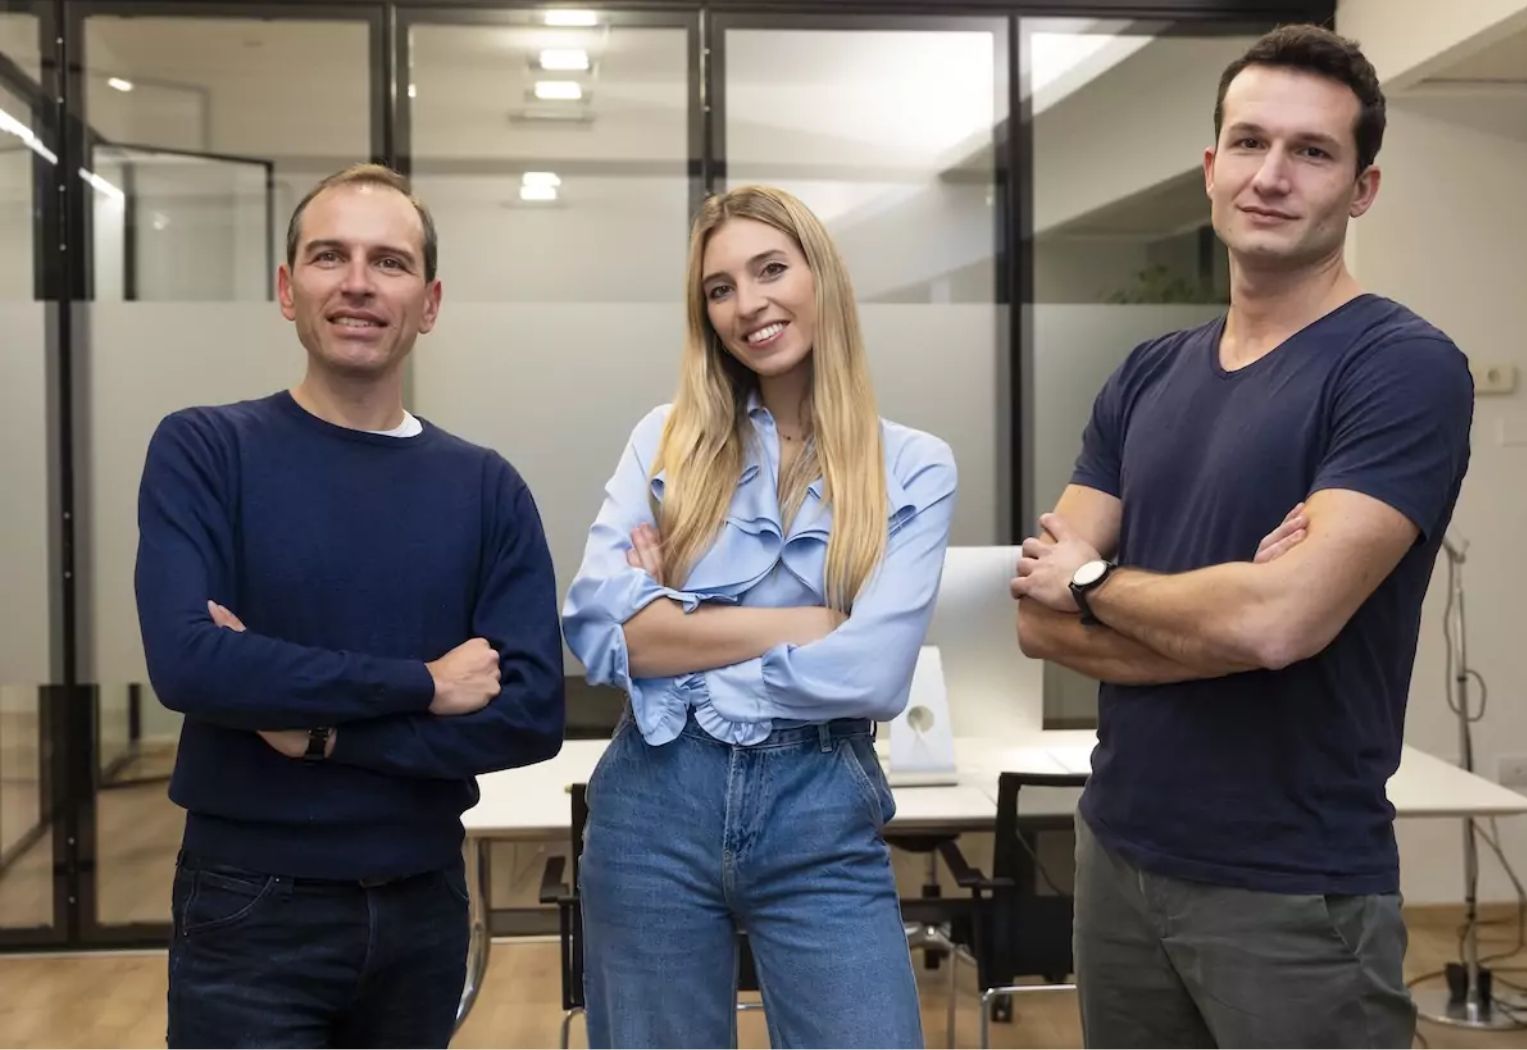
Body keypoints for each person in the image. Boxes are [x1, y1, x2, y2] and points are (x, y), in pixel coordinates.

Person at [1012, 25, 1473, 1049]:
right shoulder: (1146, 375)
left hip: (1292, 887)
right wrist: (1218, 624)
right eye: (1250, 142)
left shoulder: (1399, 370)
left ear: (1362, 188)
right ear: (1211, 167)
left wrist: (1094, 578)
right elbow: (1038, 623)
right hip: (1117, 854)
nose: (1273, 175)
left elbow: (1279, 623)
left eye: (1312, 152)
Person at [134, 163, 565, 1049]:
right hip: (249, 904)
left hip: (424, 903)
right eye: (330, 256)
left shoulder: (484, 487)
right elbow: (190, 663)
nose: (359, 283)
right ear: (289, 290)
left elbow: (527, 715)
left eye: (390, 262)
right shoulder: (207, 449)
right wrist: (422, 682)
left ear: (430, 301)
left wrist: (320, 732)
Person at [562, 184, 956, 1048]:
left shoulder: (914, 467)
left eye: (770, 269)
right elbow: (599, 631)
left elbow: (873, 675)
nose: (748, 304)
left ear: (822, 276)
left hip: (819, 805)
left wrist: (677, 626)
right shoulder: (663, 440)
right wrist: (809, 621)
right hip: (651, 805)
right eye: (720, 288)